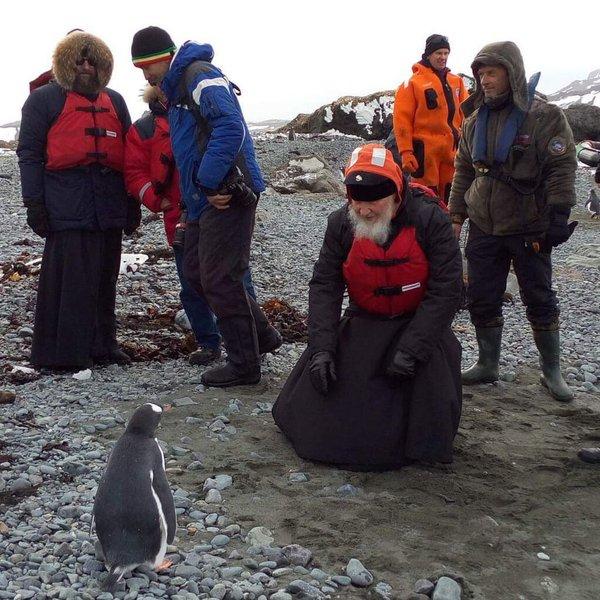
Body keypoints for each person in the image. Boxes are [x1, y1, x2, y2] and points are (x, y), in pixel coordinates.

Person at [272, 144, 463, 470]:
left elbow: (448, 290)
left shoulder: (431, 220)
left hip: (417, 324)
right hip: (364, 320)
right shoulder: (340, 225)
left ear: (396, 195)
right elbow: (325, 286)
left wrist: (413, 349)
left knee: (428, 405)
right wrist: (322, 348)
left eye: (374, 200)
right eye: (356, 200)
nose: (364, 210)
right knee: (320, 410)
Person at [130, 26, 281, 387]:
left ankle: (245, 364)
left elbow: (231, 127)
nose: (145, 75)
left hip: (228, 192)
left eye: (146, 66)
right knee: (197, 272)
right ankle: (262, 336)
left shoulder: (198, 75)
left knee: (219, 278)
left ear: (162, 58)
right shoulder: (178, 87)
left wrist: (211, 180)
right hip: (203, 197)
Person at [448, 41, 578, 401]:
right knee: (481, 295)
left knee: (538, 296)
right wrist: (456, 216)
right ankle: (488, 363)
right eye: (481, 74)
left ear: (512, 73)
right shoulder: (473, 121)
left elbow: (562, 166)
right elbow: (463, 170)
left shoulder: (545, 117)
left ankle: (551, 371)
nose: (485, 80)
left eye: (492, 72)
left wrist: (560, 213)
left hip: (528, 225)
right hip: (483, 225)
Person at [17, 31, 139, 370]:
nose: (86, 66)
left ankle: (103, 345)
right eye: (79, 60)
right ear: (65, 63)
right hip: (67, 202)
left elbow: (130, 154)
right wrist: (34, 204)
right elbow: (28, 154)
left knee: (105, 276)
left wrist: (132, 203)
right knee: (70, 281)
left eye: (92, 61)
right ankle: (64, 354)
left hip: (109, 201)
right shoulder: (43, 100)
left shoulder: (114, 100)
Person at [124, 85, 257, 366]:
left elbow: (229, 147)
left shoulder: (198, 115)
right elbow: (134, 170)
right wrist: (154, 199)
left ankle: (250, 341)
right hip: (180, 218)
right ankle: (209, 342)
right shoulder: (144, 129)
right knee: (192, 283)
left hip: (216, 208)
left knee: (234, 279)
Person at [393, 34, 468, 203]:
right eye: (438, 53)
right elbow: (401, 121)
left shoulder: (457, 82)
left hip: (452, 150)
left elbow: (468, 114)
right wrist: (406, 153)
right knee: (425, 197)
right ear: (428, 54)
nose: (443, 57)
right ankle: (425, 228)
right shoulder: (412, 84)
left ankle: (448, 228)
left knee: (452, 196)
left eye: (445, 53)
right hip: (424, 152)